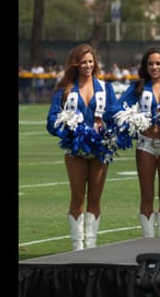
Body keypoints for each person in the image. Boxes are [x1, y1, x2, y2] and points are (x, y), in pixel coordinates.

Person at [104, 48, 160, 239]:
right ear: (145, 66)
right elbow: (114, 109)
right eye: (150, 64)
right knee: (147, 195)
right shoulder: (138, 87)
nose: (154, 67)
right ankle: (148, 241)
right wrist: (131, 117)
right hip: (145, 145)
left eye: (158, 63)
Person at [46, 44, 117, 251]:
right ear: (75, 64)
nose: (87, 65)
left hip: (100, 149)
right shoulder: (64, 89)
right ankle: (78, 246)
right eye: (83, 62)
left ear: (95, 63)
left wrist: (109, 129)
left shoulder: (106, 88)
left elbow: (114, 114)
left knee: (95, 197)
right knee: (77, 197)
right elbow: (51, 120)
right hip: (75, 150)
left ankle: (92, 244)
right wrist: (66, 128)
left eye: (90, 61)